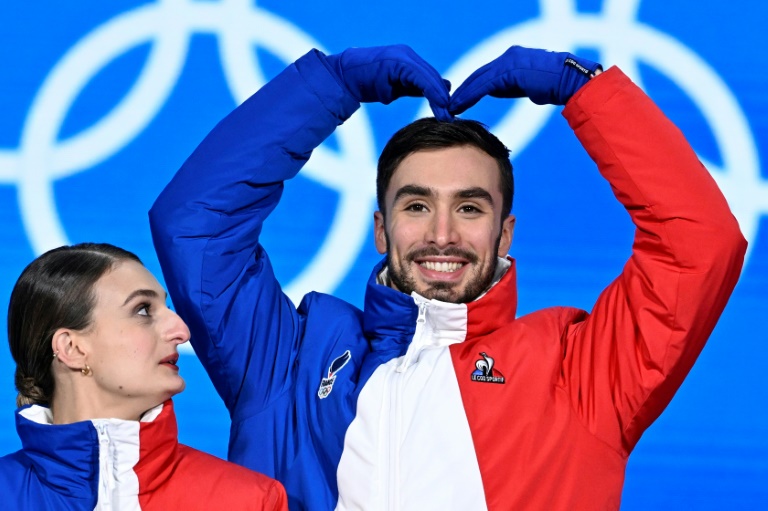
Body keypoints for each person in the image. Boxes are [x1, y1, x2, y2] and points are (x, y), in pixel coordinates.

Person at [149, 45, 747, 510]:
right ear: (381, 231)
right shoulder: (288, 359)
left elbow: (700, 244)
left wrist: (583, 90)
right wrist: (330, 87)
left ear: (504, 233)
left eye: (469, 207)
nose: (441, 234)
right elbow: (195, 224)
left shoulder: (581, 372)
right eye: (416, 206)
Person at [0, 243, 287, 510]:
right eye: (143, 310)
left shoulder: (249, 500)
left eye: (168, 308)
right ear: (72, 348)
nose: (181, 331)